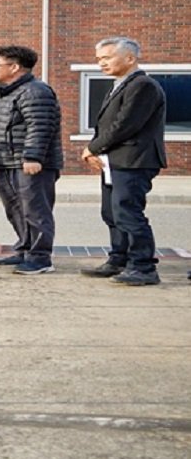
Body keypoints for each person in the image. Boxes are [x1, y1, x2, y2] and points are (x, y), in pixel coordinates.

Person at [80, 37, 167, 286]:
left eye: (106, 58)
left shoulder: (143, 85)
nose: (101, 64)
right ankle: (119, 259)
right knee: (111, 212)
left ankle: (143, 267)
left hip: (134, 160)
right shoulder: (120, 84)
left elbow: (125, 125)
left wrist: (91, 148)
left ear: (130, 58)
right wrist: (99, 152)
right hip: (114, 159)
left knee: (128, 212)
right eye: (98, 60)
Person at [0, 46, 62, 275]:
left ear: (14, 67)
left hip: (28, 163)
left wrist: (32, 156)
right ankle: (25, 250)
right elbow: (15, 122)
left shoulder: (35, 91)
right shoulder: (12, 92)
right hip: (9, 160)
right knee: (16, 209)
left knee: (35, 210)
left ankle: (40, 258)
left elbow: (40, 126)